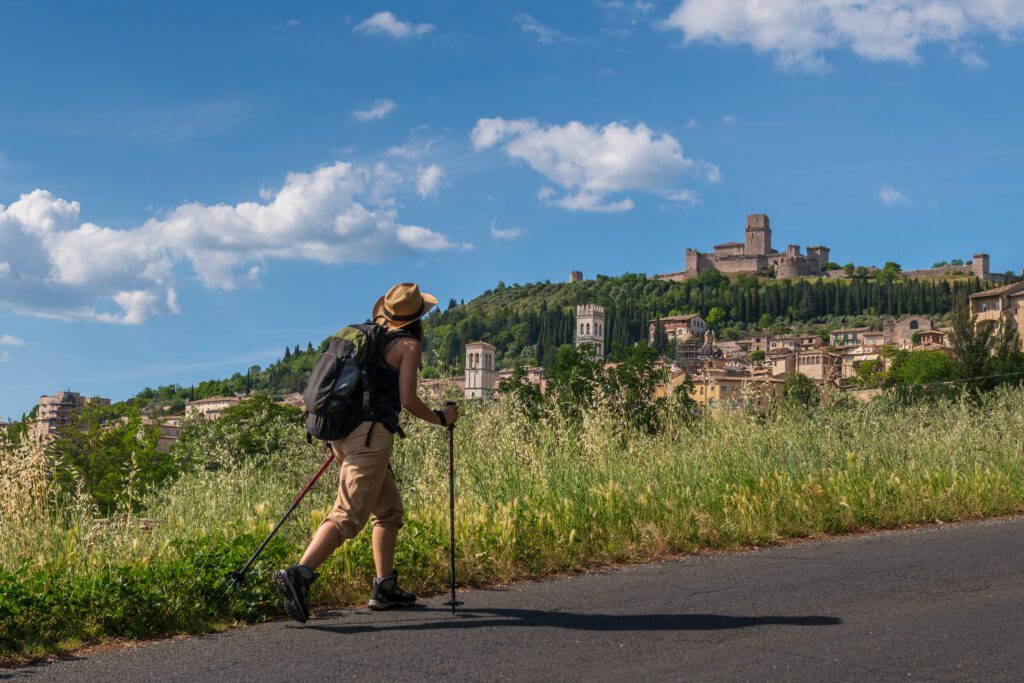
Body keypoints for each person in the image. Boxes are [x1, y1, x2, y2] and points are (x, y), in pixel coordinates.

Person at [273, 283, 459, 623]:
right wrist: (441, 419)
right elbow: (408, 400)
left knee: (388, 510)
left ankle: (384, 587)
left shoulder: (365, 339)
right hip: (370, 438)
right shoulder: (408, 345)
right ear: (417, 317)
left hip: (342, 435)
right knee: (348, 513)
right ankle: (299, 575)